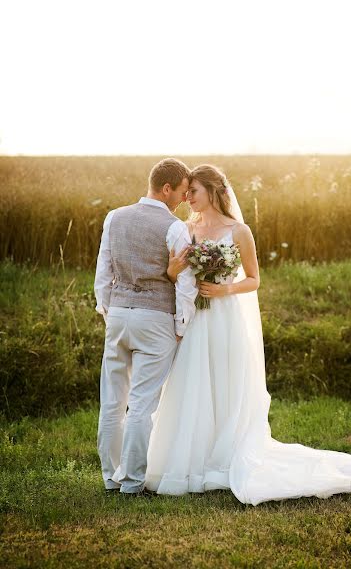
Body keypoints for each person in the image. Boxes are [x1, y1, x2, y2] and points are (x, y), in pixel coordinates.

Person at [145, 163, 351, 505]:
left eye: (194, 191)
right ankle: (191, 457)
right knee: (193, 382)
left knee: (226, 383)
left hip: (224, 316)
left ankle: (224, 454)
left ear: (214, 191)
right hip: (195, 319)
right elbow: (177, 275)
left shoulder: (239, 231)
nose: (187, 197)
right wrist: (175, 275)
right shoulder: (185, 228)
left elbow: (254, 279)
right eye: (186, 191)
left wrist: (224, 290)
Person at [94, 158, 198, 496]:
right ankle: (133, 482)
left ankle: (111, 478)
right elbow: (185, 284)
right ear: (166, 188)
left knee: (112, 402)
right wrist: (182, 324)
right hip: (155, 320)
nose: (184, 199)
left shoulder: (114, 217)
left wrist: (110, 310)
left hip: (119, 316)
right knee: (141, 405)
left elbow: (103, 272)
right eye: (182, 192)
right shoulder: (175, 228)